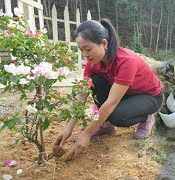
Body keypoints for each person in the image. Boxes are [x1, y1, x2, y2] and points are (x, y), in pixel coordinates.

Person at [53, 19, 163, 159]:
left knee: (116, 116)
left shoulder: (126, 61)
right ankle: (107, 125)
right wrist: (68, 128)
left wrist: (87, 133)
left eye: (88, 49)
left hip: (149, 97)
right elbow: (82, 94)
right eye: (81, 50)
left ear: (104, 43)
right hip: (126, 93)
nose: (85, 54)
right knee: (96, 82)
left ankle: (146, 117)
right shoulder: (92, 63)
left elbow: (111, 102)